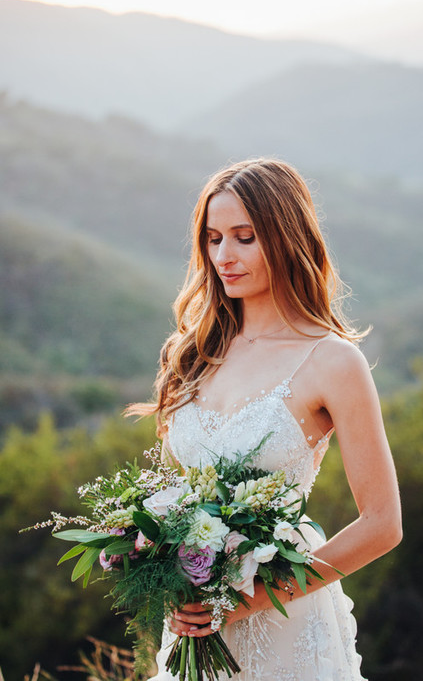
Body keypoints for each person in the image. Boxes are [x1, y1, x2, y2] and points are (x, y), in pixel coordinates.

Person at [134, 158, 402, 681]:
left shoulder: (332, 361)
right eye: (213, 239)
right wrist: (160, 565)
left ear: (284, 237)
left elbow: (382, 524)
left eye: (244, 237)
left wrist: (247, 603)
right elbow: (178, 495)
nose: (223, 257)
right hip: (194, 622)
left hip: (286, 617)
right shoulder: (190, 353)